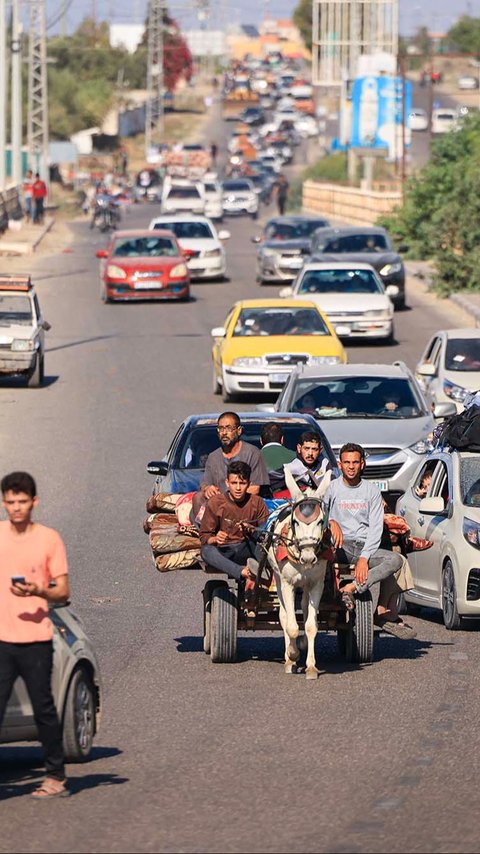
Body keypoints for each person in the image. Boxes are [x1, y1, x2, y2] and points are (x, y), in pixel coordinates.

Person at [0, 471, 70, 798]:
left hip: (36, 640)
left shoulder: (48, 539)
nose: (16, 508)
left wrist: (38, 590)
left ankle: (55, 776)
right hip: (1, 640)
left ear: (34, 502)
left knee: (43, 708)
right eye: (10, 502)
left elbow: (63, 590)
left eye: (22, 502)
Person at [323, 443, 416, 639]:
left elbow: (375, 528)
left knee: (396, 560)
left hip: (366, 546)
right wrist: (330, 521)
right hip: (341, 547)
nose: (351, 466)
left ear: (362, 464)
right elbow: (320, 517)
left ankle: (353, 589)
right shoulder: (332, 489)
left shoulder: (371, 491)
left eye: (355, 462)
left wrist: (365, 557)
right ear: (340, 465)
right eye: (347, 462)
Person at [199, 461, 269, 584]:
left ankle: (264, 572)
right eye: (233, 483)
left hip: (247, 547)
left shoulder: (257, 503)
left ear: (249, 484)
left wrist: (251, 530)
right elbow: (204, 537)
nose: (237, 488)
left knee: (265, 547)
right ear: (227, 483)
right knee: (206, 551)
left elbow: (266, 533)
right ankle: (242, 572)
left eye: (242, 483)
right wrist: (216, 538)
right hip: (225, 550)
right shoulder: (216, 502)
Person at [192, 412, 270, 519]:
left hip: (244, 508)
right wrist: (208, 489)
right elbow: (205, 483)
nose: (224, 433)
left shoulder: (253, 453)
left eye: (228, 428)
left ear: (239, 431)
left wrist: (230, 500)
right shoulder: (213, 457)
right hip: (218, 509)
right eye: (221, 429)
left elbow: (255, 489)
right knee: (198, 497)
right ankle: (207, 533)